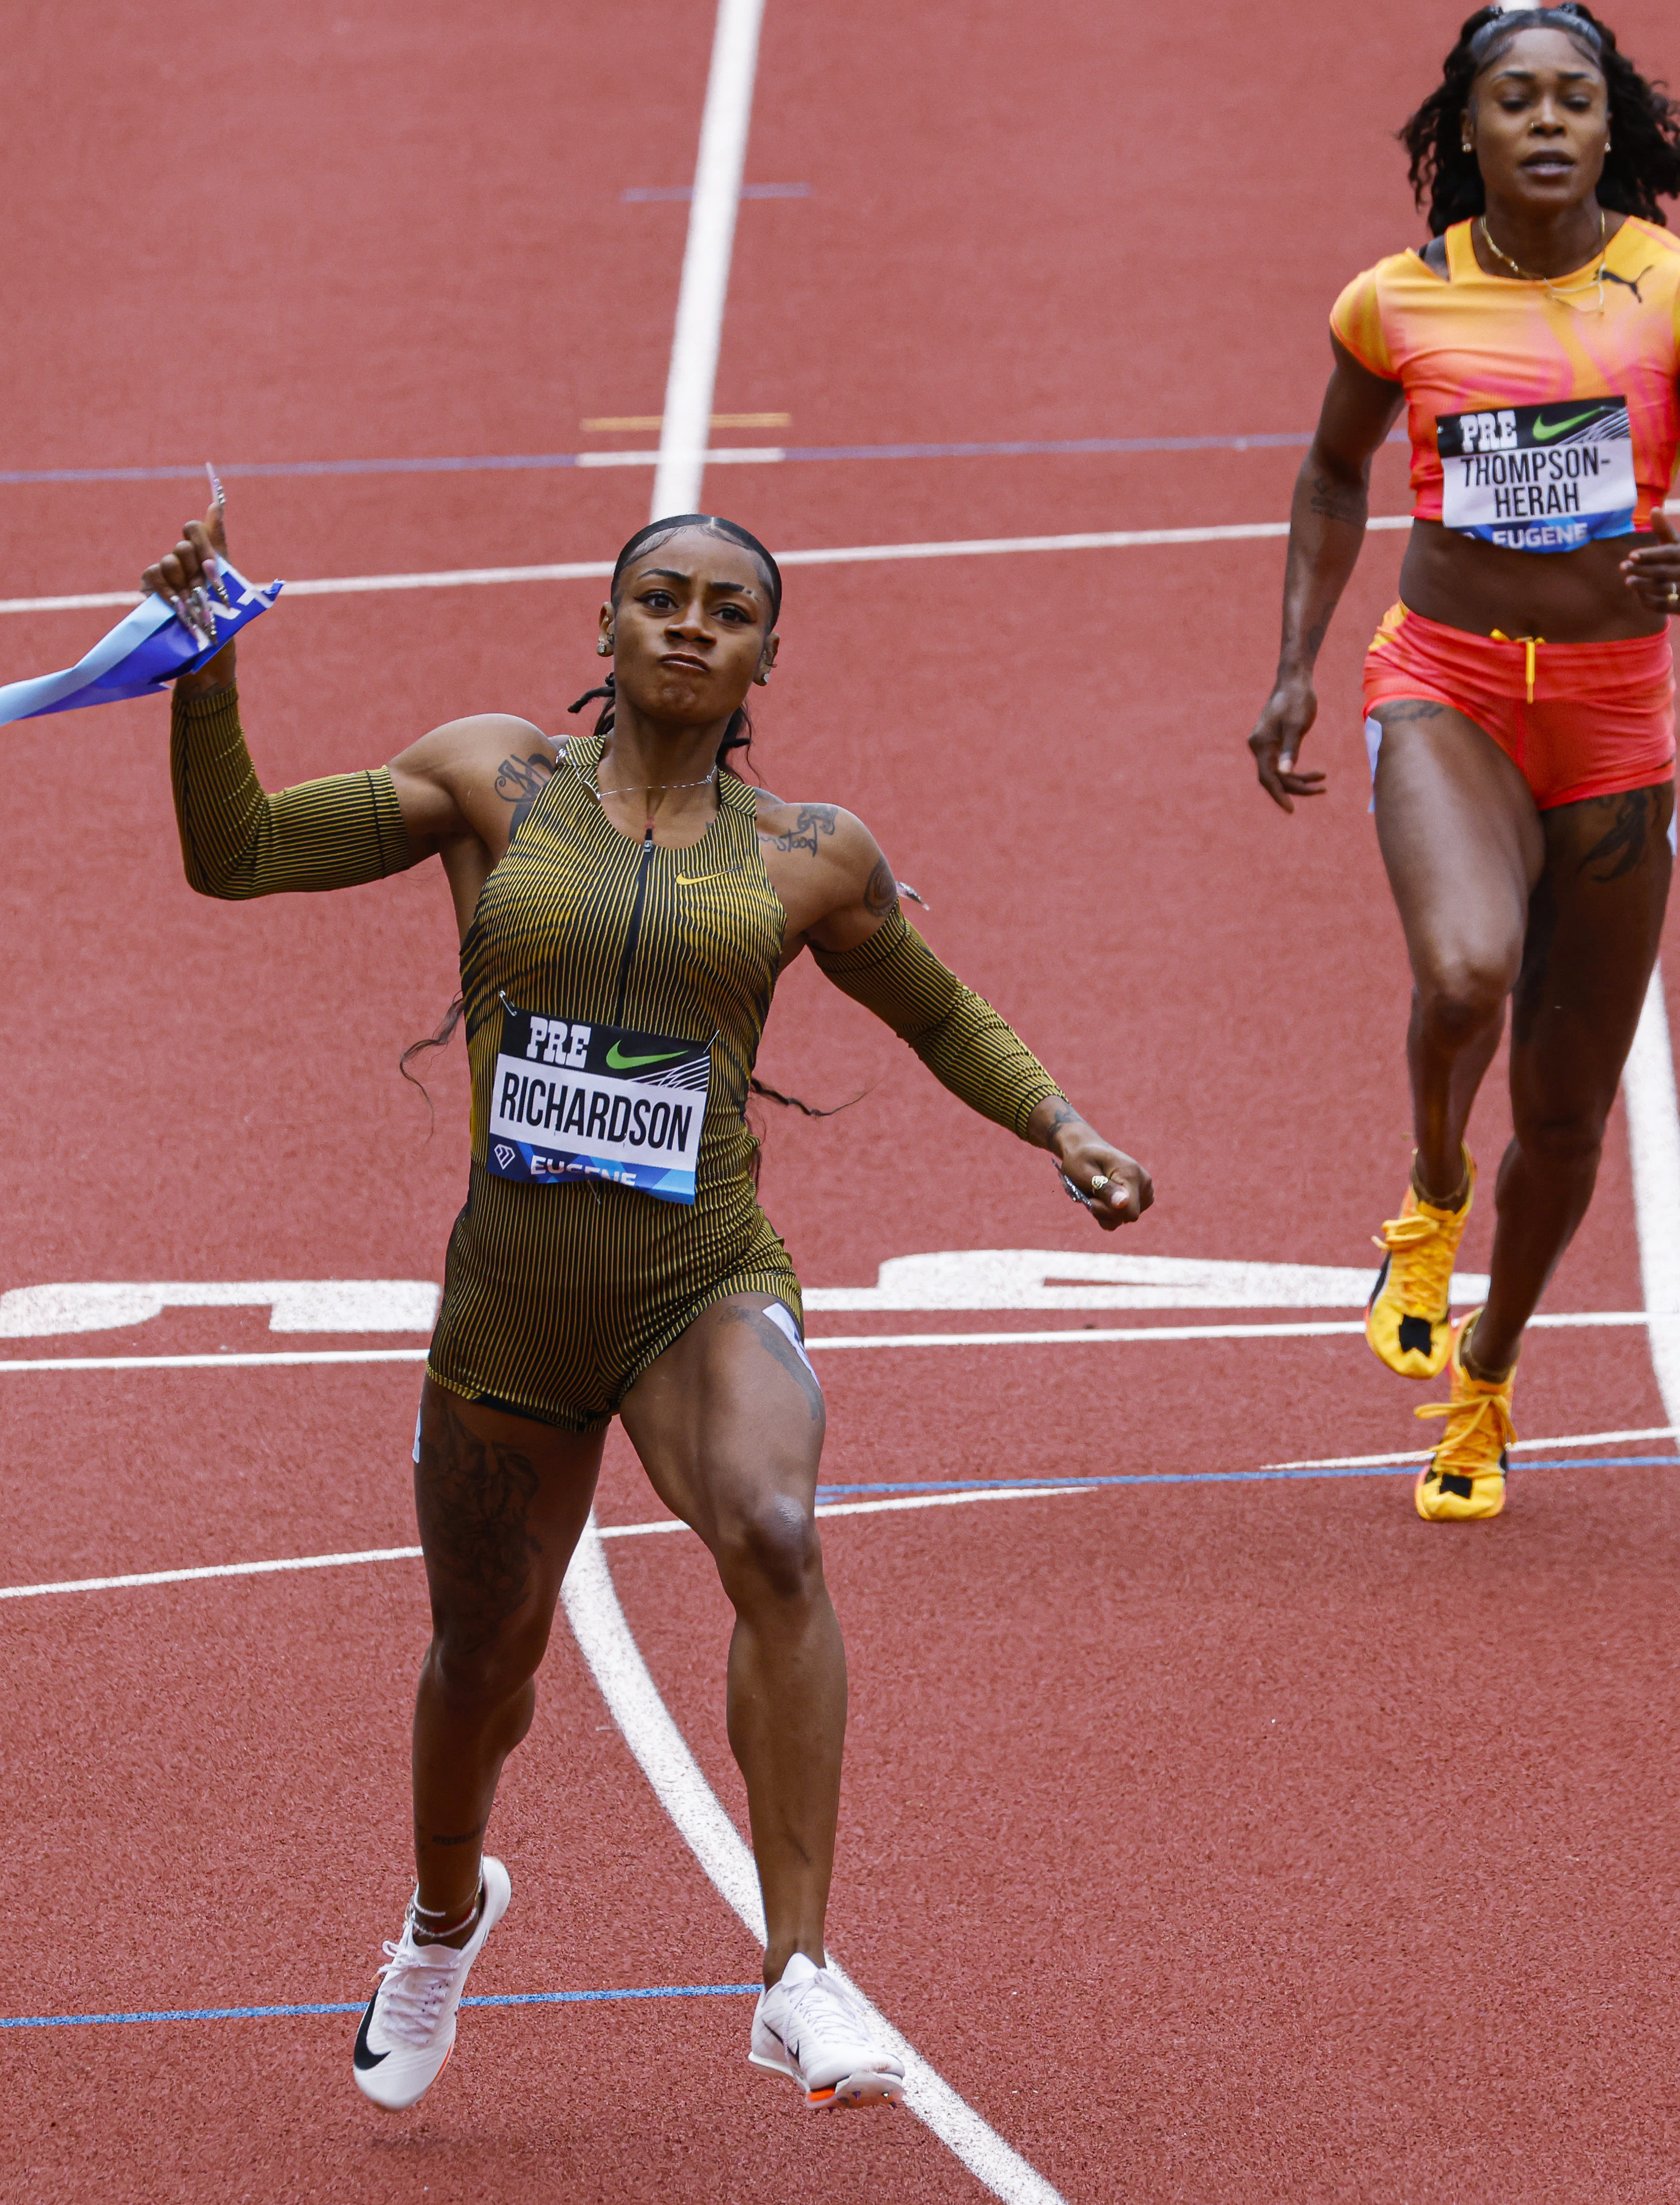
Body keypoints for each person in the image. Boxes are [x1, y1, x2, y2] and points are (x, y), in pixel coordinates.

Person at [138, 496, 1155, 2111]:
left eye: (728, 609)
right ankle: (439, 1925)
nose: (691, 624)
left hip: (699, 1276)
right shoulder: (492, 779)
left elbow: (937, 1011)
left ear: (765, 654)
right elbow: (237, 856)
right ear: (602, 628)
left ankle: (798, 1976)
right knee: (483, 1658)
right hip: (513, 1304)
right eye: (660, 598)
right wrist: (203, 678)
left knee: (775, 1531)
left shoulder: (811, 854)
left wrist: (1061, 1124)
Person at [1245, 2, 1680, 1520]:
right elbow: (1325, 472)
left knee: (1564, 1118)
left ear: (1610, 124)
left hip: (1616, 718)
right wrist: (1296, 667)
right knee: (1464, 972)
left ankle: (1483, 1382)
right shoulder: (1394, 302)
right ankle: (1429, 1196)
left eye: (1573, 98)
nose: (1547, 122)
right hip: (1446, 685)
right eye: (1516, 101)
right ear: (1467, 130)